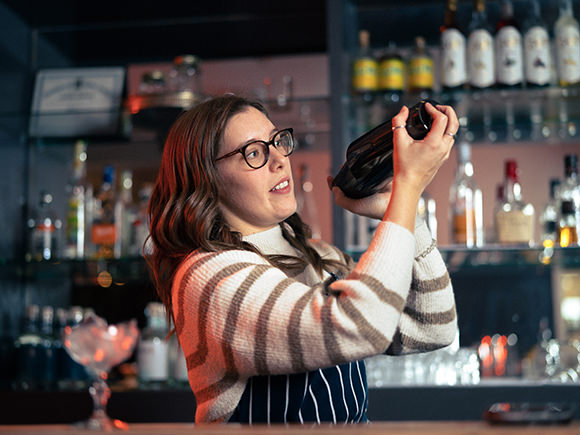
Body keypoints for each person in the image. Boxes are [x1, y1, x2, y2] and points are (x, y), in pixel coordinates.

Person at [147, 94, 459, 424]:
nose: (279, 160)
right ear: (207, 179)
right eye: (254, 152)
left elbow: (432, 328)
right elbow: (363, 324)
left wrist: (401, 213)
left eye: (277, 142)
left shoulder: (318, 256)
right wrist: (407, 189)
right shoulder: (209, 276)